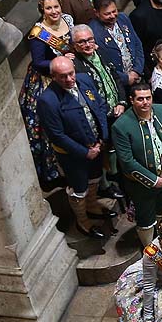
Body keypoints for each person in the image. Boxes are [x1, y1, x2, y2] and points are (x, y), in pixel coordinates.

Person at [37, 56, 114, 239]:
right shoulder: (48, 100)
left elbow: (100, 106)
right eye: (63, 76)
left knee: (95, 179)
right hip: (74, 156)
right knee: (79, 188)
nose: (70, 79)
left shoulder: (84, 80)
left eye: (71, 73)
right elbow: (57, 135)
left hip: (96, 146)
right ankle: (82, 220)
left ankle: (93, 205)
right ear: (54, 76)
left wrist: (103, 137)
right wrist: (85, 152)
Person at [111, 83, 162, 246]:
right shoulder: (121, 126)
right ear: (131, 100)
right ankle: (149, 251)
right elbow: (127, 162)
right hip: (141, 186)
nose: (145, 102)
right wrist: (154, 180)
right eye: (140, 99)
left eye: (148, 98)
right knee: (145, 220)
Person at [20, 0, 75, 184]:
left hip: (70, 72)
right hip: (47, 80)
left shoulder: (67, 21)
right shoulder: (38, 34)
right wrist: (59, 61)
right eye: (49, 8)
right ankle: (53, 170)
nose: (54, 11)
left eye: (56, 7)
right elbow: (38, 62)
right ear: (42, 10)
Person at [91, 0, 145, 89]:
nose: (112, 16)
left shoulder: (123, 18)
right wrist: (126, 78)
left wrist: (137, 70)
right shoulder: (93, 31)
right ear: (97, 13)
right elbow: (101, 64)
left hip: (137, 76)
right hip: (117, 83)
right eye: (107, 14)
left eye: (114, 11)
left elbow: (137, 44)